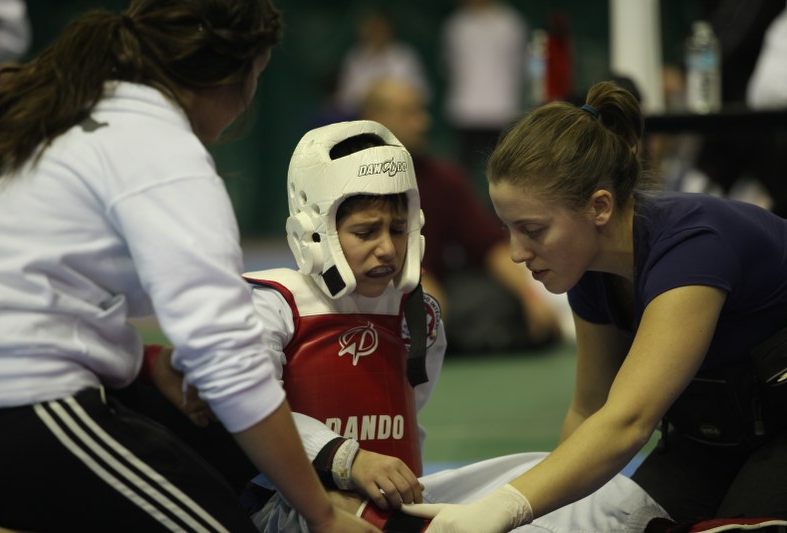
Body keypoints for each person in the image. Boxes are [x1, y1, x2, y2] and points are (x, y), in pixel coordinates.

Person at [0, 1, 378, 531]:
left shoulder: (71, 108)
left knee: (213, 442)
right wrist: (321, 515)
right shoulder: (157, 148)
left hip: (15, 387)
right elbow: (229, 363)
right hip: (19, 401)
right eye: (259, 76)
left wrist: (149, 364)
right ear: (236, 74)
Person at [241, 119, 667, 532]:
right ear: (314, 231)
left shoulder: (417, 315)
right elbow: (252, 409)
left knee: (579, 489)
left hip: (397, 499)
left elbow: (412, 404)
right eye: (366, 231)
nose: (387, 247)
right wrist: (348, 459)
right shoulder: (276, 302)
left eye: (398, 228)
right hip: (295, 503)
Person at [400, 80, 787, 532]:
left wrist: (502, 508)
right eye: (507, 228)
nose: (516, 252)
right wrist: (541, 517)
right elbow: (590, 411)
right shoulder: (588, 269)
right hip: (712, 440)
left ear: (599, 207)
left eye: (533, 229)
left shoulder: (693, 249)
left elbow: (628, 421)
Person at [359, 77, 567, 351]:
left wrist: (531, 298)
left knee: (491, 298)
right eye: (409, 114)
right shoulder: (349, 182)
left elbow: (489, 246)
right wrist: (413, 279)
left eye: (421, 112)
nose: (423, 123)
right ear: (375, 120)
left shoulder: (444, 178)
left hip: (442, 297)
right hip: (375, 289)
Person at [440, 0, 528, 197]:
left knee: (505, 174)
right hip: (466, 110)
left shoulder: (510, 23)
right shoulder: (456, 24)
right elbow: (450, 64)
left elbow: (519, 66)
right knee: (462, 176)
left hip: (501, 110)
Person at [336, 7, 429, 118]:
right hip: (362, 117)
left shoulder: (404, 55)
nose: (377, 32)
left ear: (389, 29)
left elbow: (420, 91)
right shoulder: (355, 57)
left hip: (400, 117)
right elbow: (346, 98)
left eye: (381, 28)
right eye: (373, 28)